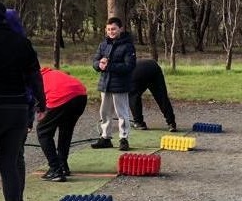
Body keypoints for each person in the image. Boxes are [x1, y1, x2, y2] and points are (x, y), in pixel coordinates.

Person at [0, 2, 46, 201]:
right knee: (9, 163)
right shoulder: (21, 43)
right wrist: (42, 103)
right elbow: (35, 77)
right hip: (17, 107)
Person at [91, 16, 136, 152]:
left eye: (114, 29)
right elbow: (95, 61)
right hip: (105, 84)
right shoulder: (103, 44)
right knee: (104, 112)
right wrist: (99, 64)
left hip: (120, 85)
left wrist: (109, 66)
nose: (111, 32)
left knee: (122, 112)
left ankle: (123, 138)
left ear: (120, 29)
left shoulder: (128, 46)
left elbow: (129, 66)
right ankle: (105, 137)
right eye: (109, 29)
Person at [36, 67, 88, 182]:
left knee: (43, 132)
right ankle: (63, 166)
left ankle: (55, 170)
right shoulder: (52, 72)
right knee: (66, 129)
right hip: (81, 95)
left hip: (62, 96)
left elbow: (32, 100)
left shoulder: (33, 79)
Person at [129, 59, 177, 132]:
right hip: (153, 66)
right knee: (162, 97)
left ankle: (139, 122)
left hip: (136, 71)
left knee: (134, 97)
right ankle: (171, 123)